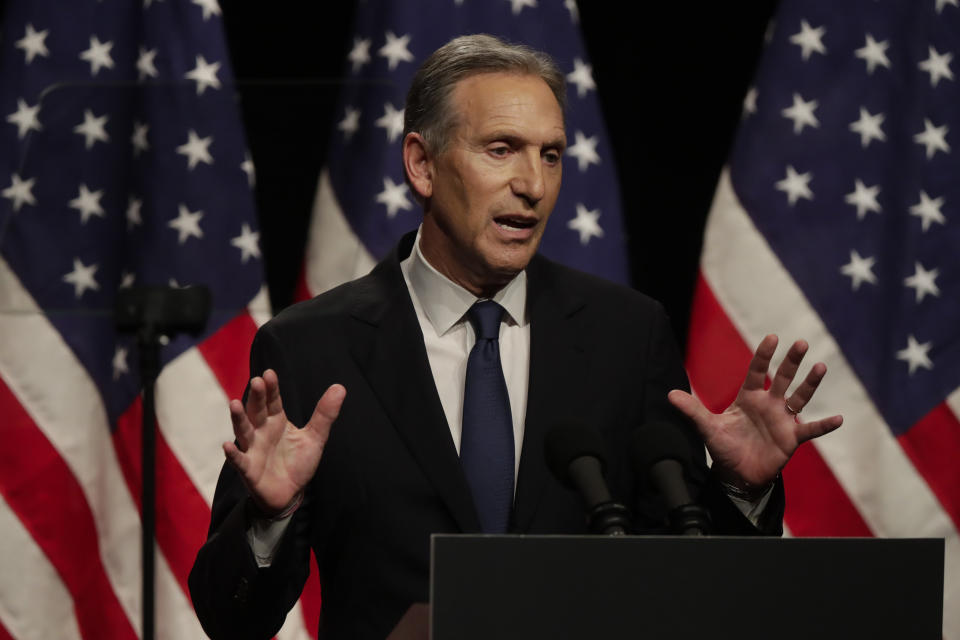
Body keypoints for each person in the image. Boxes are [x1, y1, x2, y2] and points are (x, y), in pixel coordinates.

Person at [189, 34, 843, 640]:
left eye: (550, 155)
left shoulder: (628, 336)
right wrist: (268, 521)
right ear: (421, 163)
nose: (531, 185)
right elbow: (231, 621)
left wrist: (739, 493)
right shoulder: (311, 348)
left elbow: (693, 593)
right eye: (501, 149)